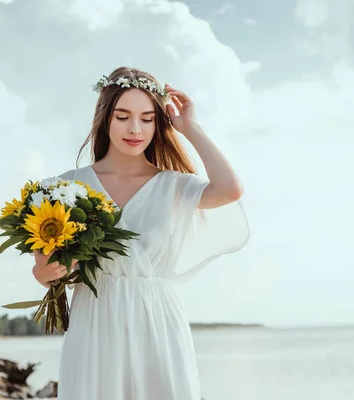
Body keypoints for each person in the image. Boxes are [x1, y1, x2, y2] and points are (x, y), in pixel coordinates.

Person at [31, 66, 250, 400]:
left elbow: (230, 189)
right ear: (105, 118)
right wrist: (46, 271)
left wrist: (191, 128)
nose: (135, 129)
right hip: (95, 322)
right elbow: (46, 270)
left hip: (158, 322)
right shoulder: (62, 188)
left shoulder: (173, 186)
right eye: (123, 116)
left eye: (147, 118)